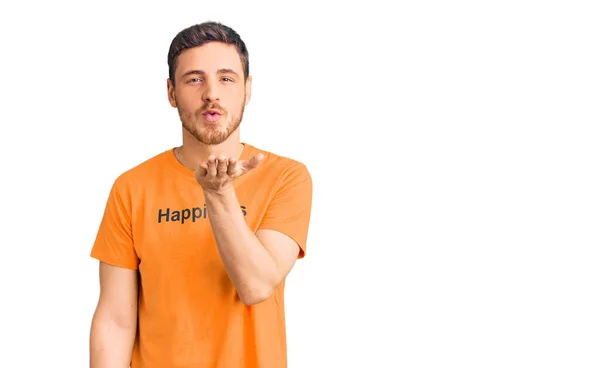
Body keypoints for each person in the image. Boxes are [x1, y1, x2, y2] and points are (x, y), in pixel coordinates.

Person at [88, 21, 313, 368]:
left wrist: (218, 194)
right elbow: (115, 321)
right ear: (171, 92)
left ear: (247, 89)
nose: (211, 93)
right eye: (194, 79)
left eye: (226, 78)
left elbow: (255, 286)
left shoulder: (286, 177)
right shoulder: (131, 188)